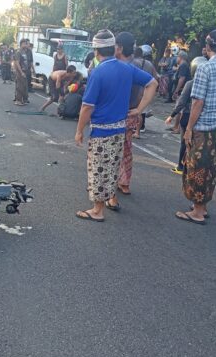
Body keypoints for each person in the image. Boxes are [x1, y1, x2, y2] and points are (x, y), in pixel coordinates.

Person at [74, 29, 157, 222]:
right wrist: (139, 109)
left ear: (96, 51)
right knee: (112, 167)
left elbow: (87, 107)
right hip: (120, 129)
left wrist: (79, 130)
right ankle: (108, 201)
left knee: (98, 168)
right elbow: (153, 83)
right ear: (113, 48)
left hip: (102, 130)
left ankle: (97, 210)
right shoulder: (127, 68)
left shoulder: (98, 72)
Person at [176, 28, 216, 225]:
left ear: (208, 46)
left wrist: (188, 128)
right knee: (211, 167)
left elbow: (197, 103)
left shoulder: (205, 68)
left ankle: (196, 211)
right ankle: (202, 206)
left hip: (202, 127)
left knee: (196, 167)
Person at [111, 32, 158, 203]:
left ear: (121, 47)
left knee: (112, 150)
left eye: (115, 45)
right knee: (126, 149)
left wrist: (138, 108)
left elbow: (152, 84)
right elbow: (154, 83)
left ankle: (110, 186)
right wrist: (140, 109)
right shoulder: (143, 64)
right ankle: (124, 182)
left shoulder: (123, 66)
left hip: (120, 113)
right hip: (132, 112)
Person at [164, 56, 207, 175]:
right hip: (203, 117)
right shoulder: (209, 84)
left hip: (188, 115)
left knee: (185, 141)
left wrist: (172, 115)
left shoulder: (191, 83)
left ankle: (181, 166)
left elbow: (181, 102)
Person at [134, 44, 158, 136]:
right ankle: (140, 128)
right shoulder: (149, 64)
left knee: (135, 110)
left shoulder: (132, 62)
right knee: (142, 110)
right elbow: (155, 77)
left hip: (135, 90)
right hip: (147, 88)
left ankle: (135, 129)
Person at [13, 39, 30, 106]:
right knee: (19, 86)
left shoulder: (24, 52)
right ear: (22, 44)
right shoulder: (18, 52)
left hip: (24, 71)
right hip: (20, 72)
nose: (26, 45)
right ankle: (18, 100)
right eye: (25, 44)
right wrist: (21, 72)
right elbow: (17, 63)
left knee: (24, 86)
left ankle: (22, 99)